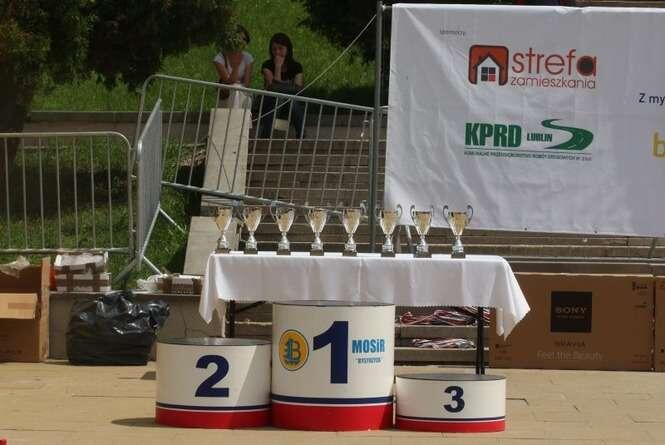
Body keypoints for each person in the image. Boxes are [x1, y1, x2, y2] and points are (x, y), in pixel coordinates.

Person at [259, 33, 305, 138]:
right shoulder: (267, 65)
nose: (277, 52)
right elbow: (272, 89)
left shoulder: (296, 66)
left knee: (290, 101)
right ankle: (266, 135)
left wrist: (279, 87)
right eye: (274, 49)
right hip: (271, 102)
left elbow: (298, 88)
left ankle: (301, 134)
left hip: (291, 103)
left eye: (280, 48)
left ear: (287, 49)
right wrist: (278, 67)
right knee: (279, 99)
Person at [213, 25, 253, 108]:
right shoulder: (220, 58)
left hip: (241, 93)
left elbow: (246, 84)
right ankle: (234, 114)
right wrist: (236, 66)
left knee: (242, 95)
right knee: (235, 88)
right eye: (239, 39)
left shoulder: (248, 57)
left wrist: (237, 85)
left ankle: (235, 114)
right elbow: (228, 81)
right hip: (226, 96)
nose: (242, 42)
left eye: (244, 39)